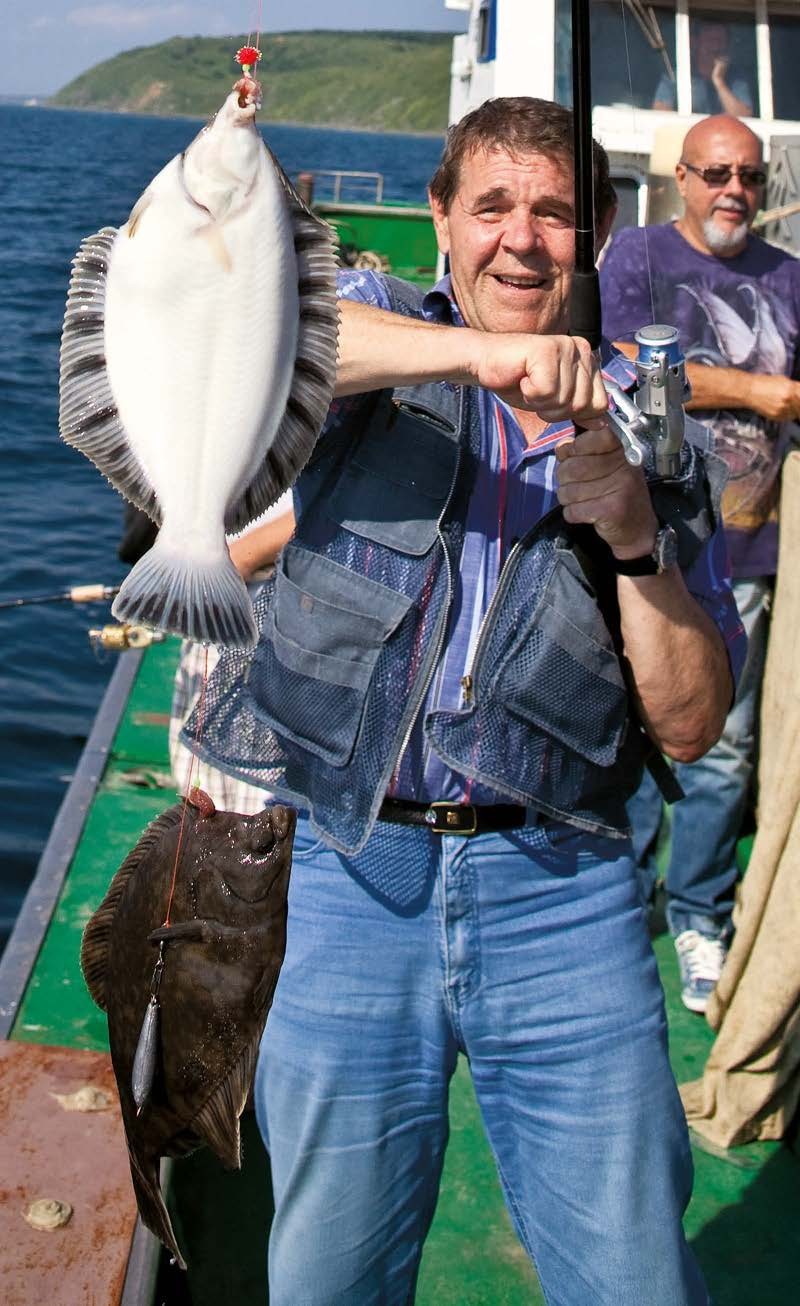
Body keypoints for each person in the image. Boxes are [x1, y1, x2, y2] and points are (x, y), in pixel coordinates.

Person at [186, 98, 745, 1304]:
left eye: (552, 212)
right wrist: (480, 359)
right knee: (328, 1274)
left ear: (597, 231)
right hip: (350, 872)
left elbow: (691, 723)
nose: (519, 239)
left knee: (633, 1275)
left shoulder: (652, 436)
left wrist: (634, 538)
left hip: (563, 889)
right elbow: (251, 333)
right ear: (439, 219)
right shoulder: (373, 330)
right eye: (489, 206)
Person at [600, 113, 800, 1014]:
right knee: (635, 728)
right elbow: (614, 360)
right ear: (680, 177)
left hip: (749, 551)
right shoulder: (637, 257)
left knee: (723, 750)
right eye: (716, 173)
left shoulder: (789, 277)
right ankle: (622, 902)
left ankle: (698, 915)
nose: (734, 191)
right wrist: (753, 389)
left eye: (750, 176)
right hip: (646, 546)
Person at [653, 21, 753, 118]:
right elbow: (660, 113)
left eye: (720, 41)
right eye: (710, 41)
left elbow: (744, 117)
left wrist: (718, 80)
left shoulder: (735, 77)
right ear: (695, 43)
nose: (715, 47)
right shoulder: (675, 76)